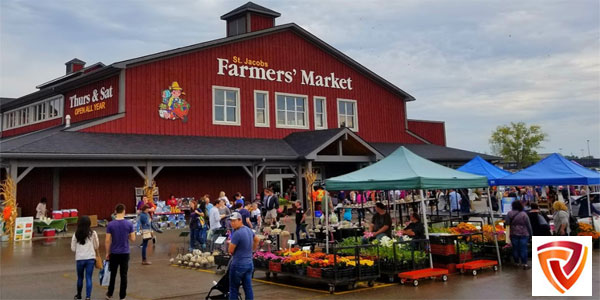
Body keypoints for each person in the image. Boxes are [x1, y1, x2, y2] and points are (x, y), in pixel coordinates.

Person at [105, 203, 135, 300]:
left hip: (114, 252)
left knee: (112, 274)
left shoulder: (110, 224)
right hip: (125, 252)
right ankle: (122, 296)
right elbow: (133, 238)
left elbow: (107, 240)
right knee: (124, 275)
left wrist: (107, 252)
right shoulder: (129, 224)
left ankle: (110, 294)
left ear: (115, 212)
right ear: (124, 211)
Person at [228, 212, 260, 300]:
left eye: (234, 221)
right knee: (248, 288)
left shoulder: (237, 233)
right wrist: (252, 250)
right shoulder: (248, 229)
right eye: (231, 221)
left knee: (233, 288)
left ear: (240, 220)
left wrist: (230, 244)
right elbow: (257, 239)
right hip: (249, 263)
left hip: (238, 264)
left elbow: (230, 251)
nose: (232, 223)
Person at [71, 216, 99, 300]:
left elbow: (73, 249)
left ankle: (79, 295)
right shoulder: (93, 233)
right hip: (90, 258)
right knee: (89, 278)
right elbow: (96, 245)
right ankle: (88, 297)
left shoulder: (75, 234)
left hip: (80, 258)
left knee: (80, 278)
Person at [505, 201, 532, 269]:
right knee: (523, 249)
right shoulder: (524, 214)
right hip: (524, 233)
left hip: (513, 233)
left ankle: (516, 262)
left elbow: (507, 223)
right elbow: (528, 225)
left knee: (515, 248)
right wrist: (531, 234)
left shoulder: (509, 213)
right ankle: (524, 264)